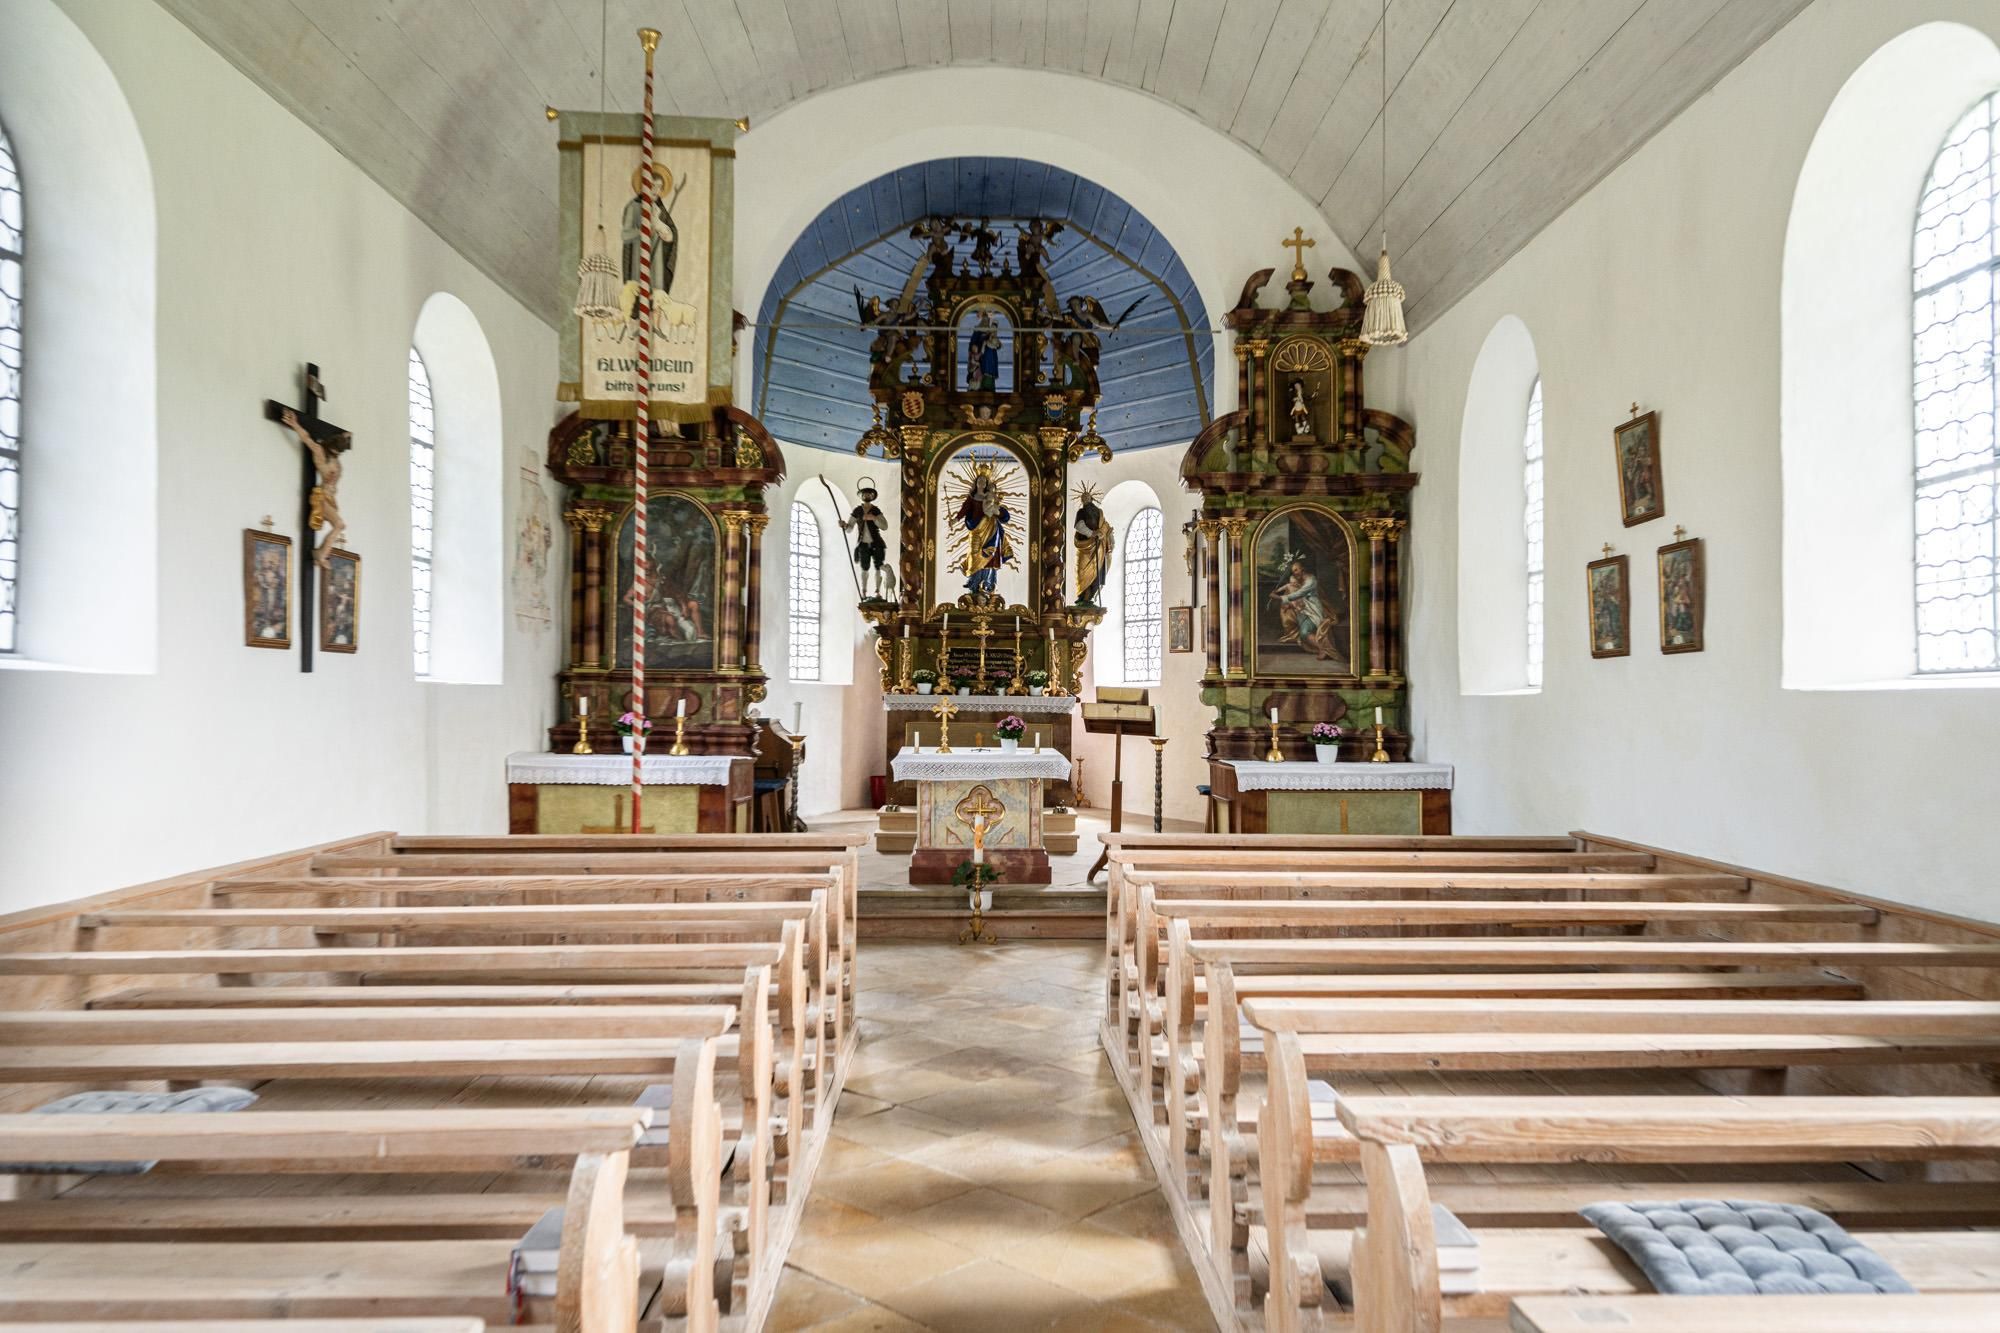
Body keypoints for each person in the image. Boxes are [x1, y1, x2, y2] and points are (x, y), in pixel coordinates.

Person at [958, 467, 1014, 596]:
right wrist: (956, 519)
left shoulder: (991, 498)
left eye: (984, 481)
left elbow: (1005, 516)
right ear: (976, 483)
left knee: (990, 557)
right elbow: (964, 511)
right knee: (974, 556)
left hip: (991, 531)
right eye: (980, 481)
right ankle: (974, 583)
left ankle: (988, 585)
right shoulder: (972, 498)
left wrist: (996, 511)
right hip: (976, 531)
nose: (982, 483)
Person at [841, 479, 891, 600]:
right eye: (865, 494)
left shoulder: (875, 510)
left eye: (869, 494)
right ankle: (864, 591)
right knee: (864, 568)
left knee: (878, 566)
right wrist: (845, 525)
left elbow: (885, 526)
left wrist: (874, 518)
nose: (867, 496)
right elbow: (849, 528)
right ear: (861, 496)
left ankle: (878, 591)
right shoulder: (857, 511)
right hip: (863, 543)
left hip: (877, 543)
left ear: (872, 496)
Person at [1073, 488, 1114, 607]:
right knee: (1082, 572)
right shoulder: (1081, 512)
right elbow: (1079, 526)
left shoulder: (1099, 513)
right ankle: (1083, 596)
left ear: (1091, 498)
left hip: (1099, 547)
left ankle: (1090, 596)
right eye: (1083, 498)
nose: (1085, 499)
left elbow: (1106, 527)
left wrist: (1110, 539)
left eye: (1086, 497)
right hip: (1085, 547)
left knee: (1098, 573)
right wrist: (1092, 533)